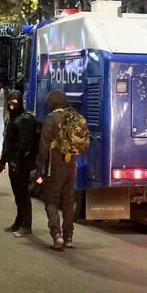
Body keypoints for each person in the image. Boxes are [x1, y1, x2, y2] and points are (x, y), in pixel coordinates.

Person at [35, 90, 89, 249]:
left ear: (52, 102)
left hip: (55, 165)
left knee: (50, 199)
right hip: (72, 165)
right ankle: (69, 237)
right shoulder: (73, 118)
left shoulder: (51, 119)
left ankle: (56, 234)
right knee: (67, 201)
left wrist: (39, 169)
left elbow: (44, 147)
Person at [0, 90, 38, 237]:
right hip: (12, 163)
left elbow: (25, 145)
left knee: (23, 194)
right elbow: (7, 142)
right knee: (17, 194)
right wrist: (3, 161)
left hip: (22, 164)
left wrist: (17, 160)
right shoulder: (11, 118)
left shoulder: (25, 119)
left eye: (14, 101)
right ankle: (19, 221)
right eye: (9, 101)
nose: (11, 104)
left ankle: (26, 225)